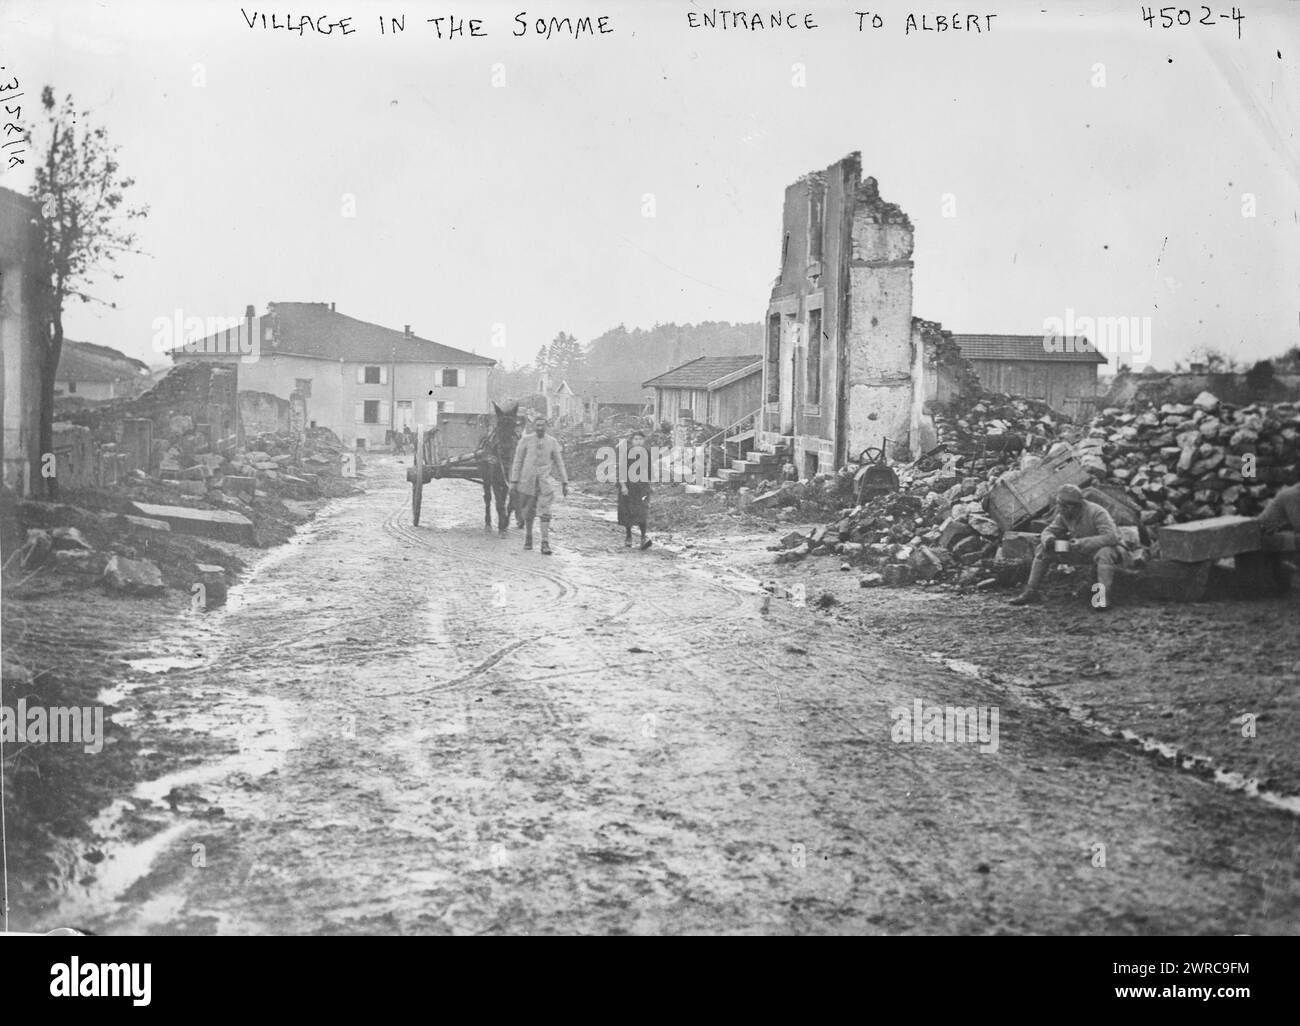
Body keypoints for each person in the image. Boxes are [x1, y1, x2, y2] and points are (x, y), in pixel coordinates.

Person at [1009, 483, 1121, 610]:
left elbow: (1112, 537)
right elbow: (1048, 531)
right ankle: (1030, 591)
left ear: (1075, 506)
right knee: (1042, 549)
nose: (1060, 509)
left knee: (1105, 553)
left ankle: (1102, 598)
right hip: (1075, 550)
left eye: (1064, 506)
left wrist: (1081, 543)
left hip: (1097, 551)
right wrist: (1049, 539)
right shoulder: (1064, 514)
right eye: (1060, 505)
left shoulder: (1097, 512)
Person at [509, 416, 568, 554]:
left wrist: (565, 482)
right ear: (534, 427)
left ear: (546, 426)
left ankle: (545, 543)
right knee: (528, 512)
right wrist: (514, 481)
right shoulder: (525, 440)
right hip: (527, 482)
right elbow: (517, 462)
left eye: (542, 425)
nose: (540, 428)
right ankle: (528, 538)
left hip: (544, 483)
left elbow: (559, 463)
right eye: (538, 425)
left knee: (545, 512)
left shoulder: (552, 442)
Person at [616, 430, 653, 550]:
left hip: (641, 487)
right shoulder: (626, 454)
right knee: (627, 512)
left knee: (642, 511)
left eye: (640, 439)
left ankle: (643, 537)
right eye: (636, 439)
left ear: (644, 441)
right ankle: (628, 536)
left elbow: (649, 471)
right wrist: (623, 486)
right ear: (631, 441)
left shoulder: (647, 453)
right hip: (629, 486)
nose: (638, 441)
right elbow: (621, 471)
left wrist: (649, 485)